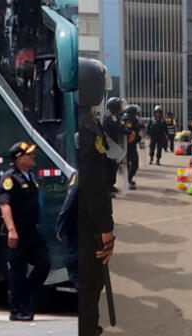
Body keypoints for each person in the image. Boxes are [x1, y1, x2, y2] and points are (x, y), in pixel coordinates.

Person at [78, 57, 115, 336]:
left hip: (75, 217)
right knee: (91, 281)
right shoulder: (89, 129)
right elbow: (95, 185)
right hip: (88, 221)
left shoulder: (77, 121)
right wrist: (106, 229)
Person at [0, 141, 50, 321]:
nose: (33, 157)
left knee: (44, 264)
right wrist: (12, 230)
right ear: (19, 159)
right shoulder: (10, 178)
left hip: (32, 231)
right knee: (18, 272)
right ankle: (17, 308)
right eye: (29, 155)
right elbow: (4, 205)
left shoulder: (29, 176)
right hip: (17, 232)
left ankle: (25, 294)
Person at [102, 97, 131, 195]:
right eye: (120, 106)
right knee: (110, 167)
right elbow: (119, 128)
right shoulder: (111, 117)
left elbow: (121, 126)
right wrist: (129, 132)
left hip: (113, 145)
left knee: (114, 166)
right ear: (114, 106)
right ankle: (107, 188)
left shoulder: (115, 116)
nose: (121, 108)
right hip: (109, 145)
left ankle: (110, 185)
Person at [122, 104, 143, 190]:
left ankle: (128, 180)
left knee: (130, 164)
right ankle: (127, 181)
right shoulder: (129, 119)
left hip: (129, 145)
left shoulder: (128, 118)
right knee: (134, 163)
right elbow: (129, 131)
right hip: (129, 145)